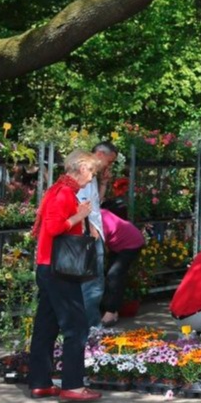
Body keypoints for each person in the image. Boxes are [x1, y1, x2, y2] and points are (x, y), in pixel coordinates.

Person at [28, 150, 104, 403]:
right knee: (77, 326)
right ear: (81, 167)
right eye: (91, 171)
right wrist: (80, 216)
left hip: (49, 267)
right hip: (59, 269)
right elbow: (53, 228)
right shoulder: (62, 193)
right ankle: (72, 385)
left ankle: (40, 382)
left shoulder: (58, 191)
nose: (92, 176)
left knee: (46, 326)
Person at [76, 141, 118, 328]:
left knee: (93, 280)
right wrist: (90, 229)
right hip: (88, 234)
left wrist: (104, 183)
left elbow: (96, 202)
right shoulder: (84, 172)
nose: (109, 166)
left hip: (92, 231)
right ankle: (92, 325)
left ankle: (88, 324)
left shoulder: (92, 176)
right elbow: (82, 204)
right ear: (100, 155)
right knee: (93, 283)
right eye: (109, 161)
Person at [98, 208, 145, 326]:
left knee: (114, 275)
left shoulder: (99, 219)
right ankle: (107, 308)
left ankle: (111, 311)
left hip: (131, 243)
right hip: (117, 244)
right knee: (110, 274)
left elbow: (98, 244)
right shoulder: (96, 214)